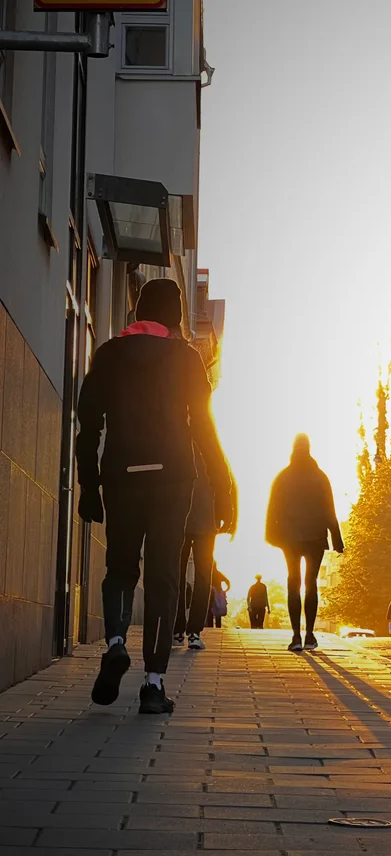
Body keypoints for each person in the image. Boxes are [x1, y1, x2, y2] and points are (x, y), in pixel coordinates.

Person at [76, 279, 234, 715]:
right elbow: (204, 427)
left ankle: (114, 644)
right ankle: (153, 684)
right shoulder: (185, 358)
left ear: (137, 311)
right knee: (163, 578)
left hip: (122, 476)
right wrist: (222, 484)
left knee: (121, 568)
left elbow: (87, 426)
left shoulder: (108, 354)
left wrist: (89, 486)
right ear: (176, 316)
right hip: (171, 479)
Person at [265, 434, 344, 652]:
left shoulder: (283, 477)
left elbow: (273, 509)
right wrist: (336, 539)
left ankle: (296, 637)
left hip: (290, 539)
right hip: (316, 537)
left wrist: (272, 535)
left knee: (293, 583)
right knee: (311, 584)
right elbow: (330, 509)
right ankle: (309, 635)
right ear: (309, 449)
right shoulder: (320, 477)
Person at [173, 452, 233, 650]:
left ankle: (177, 629)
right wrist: (227, 515)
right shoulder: (210, 447)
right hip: (206, 521)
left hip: (181, 520)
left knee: (177, 575)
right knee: (203, 576)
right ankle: (194, 632)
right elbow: (225, 482)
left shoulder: (176, 441)